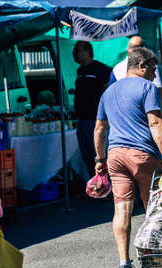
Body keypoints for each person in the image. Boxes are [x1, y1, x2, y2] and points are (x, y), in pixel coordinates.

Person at [94, 47, 162, 268]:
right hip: (143, 156)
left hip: (115, 157)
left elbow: (100, 129)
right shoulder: (148, 88)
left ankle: (124, 263)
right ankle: (154, 256)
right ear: (140, 66)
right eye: (152, 68)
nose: (154, 73)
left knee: (121, 210)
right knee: (154, 208)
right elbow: (155, 122)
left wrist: (99, 159)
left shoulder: (108, 92)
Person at [72, 41, 112, 174]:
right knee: (87, 157)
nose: (75, 53)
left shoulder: (102, 70)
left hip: (96, 121)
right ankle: (95, 188)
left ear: (87, 51)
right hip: (82, 120)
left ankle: (108, 191)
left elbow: (109, 94)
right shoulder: (80, 71)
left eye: (78, 50)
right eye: (75, 50)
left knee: (100, 157)